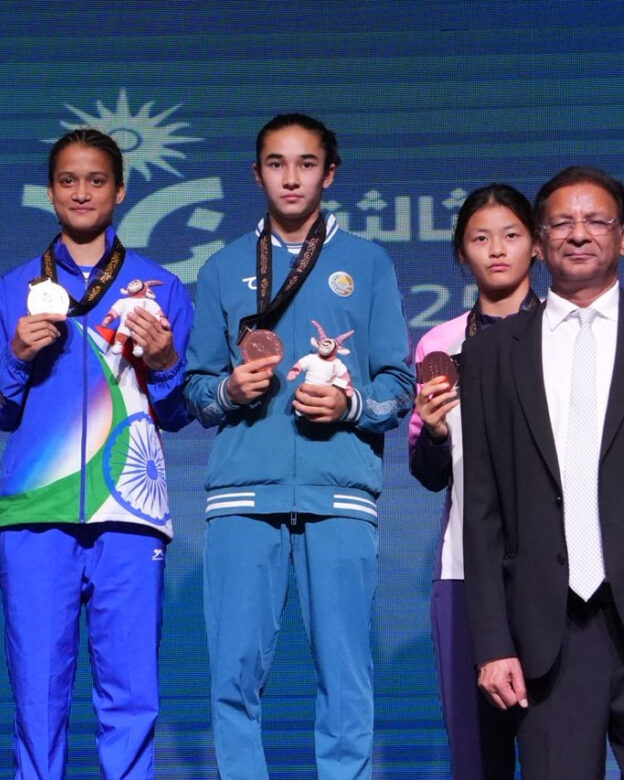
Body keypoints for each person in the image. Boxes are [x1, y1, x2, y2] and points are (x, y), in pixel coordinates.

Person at [183, 113, 413, 779]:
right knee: (232, 680)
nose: (291, 177)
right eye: (276, 163)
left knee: (346, 681)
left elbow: (397, 383)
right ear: (255, 173)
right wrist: (230, 388)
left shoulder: (367, 262)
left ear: (329, 173)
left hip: (339, 492)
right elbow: (196, 391)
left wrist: (349, 406)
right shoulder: (224, 266)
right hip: (241, 493)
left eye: (306, 163)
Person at [0, 127, 192, 779]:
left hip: (129, 509)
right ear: (50, 192)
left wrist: (162, 362)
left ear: (121, 190)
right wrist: (17, 355)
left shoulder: (160, 287)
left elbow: (181, 410)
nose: (82, 192)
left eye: (96, 179)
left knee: (129, 696)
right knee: (38, 697)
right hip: (36, 510)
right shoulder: (15, 287)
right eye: (68, 180)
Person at [461, 166, 624, 778]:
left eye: (596, 221)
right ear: (541, 240)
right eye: (562, 223)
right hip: (547, 635)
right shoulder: (492, 353)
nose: (579, 234)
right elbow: (483, 507)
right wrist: (494, 643)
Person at [408, 184, 539, 778]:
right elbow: (430, 473)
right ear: (461, 253)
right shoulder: (439, 344)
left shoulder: (568, 334)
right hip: (463, 568)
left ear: (536, 246)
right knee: (476, 758)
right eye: (480, 238)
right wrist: (434, 433)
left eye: (511, 235)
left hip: (557, 572)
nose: (496, 250)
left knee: (554, 746)